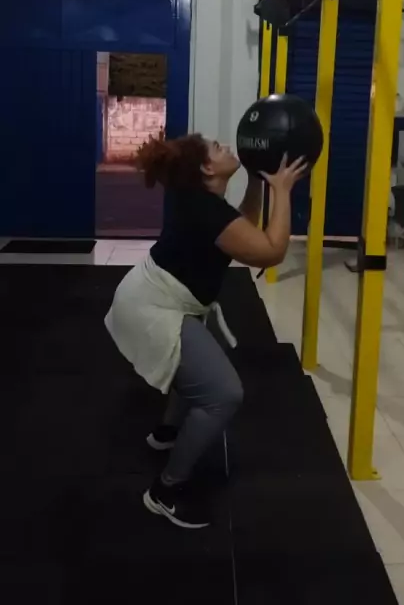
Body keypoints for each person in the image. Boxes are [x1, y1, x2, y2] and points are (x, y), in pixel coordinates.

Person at [104, 132, 306, 530]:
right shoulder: (205, 209)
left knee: (198, 365)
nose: (226, 146)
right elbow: (270, 251)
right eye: (217, 147)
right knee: (223, 394)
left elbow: (241, 230)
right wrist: (282, 190)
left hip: (154, 295)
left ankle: (166, 433)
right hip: (153, 308)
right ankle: (165, 491)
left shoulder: (199, 199)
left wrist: (255, 182)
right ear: (207, 168)